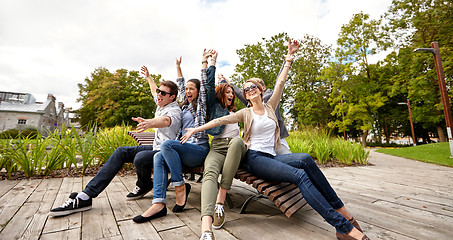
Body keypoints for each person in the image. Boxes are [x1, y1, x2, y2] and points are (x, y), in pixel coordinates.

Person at [181, 39, 369, 240]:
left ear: (261, 90)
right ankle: (343, 227)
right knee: (299, 176)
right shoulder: (245, 112)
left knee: (305, 158)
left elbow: (280, 82)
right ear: (244, 95)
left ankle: (344, 213)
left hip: (271, 157)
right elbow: (220, 119)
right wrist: (195, 129)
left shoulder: (270, 107)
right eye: (246, 89)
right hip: (254, 158)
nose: (249, 89)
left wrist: (289, 58)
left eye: (253, 86)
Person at [49, 67, 181, 217]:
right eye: (159, 91)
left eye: (163, 93)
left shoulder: (174, 111)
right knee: (121, 151)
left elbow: (166, 121)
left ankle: (144, 184)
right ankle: (86, 196)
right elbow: (153, 90)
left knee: (140, 158)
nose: (158, 94)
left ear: (172, 97)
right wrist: (149, 77)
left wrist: (150, 122)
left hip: (164, 152)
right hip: (154, 147)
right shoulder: (161, 102)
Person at [133, 50, 212, 223]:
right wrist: (178, 67)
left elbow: (205, 86)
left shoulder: (201, 106)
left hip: (198, 149)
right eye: (187, 89)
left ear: (199, 92)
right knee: (159, 156)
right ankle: (158, 203)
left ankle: (179, 185)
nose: (188, 91)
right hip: (182, 148)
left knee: (167, 145)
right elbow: (179, 84)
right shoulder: (184, 106)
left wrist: (205, 62)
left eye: (192, 88)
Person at [199, 51, 246, 239]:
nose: (231, 94)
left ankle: (221, 201)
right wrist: (212, 62)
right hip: (217, 146)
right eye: (227, 92)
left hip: (237, 148)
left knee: (236, 141)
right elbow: (209, 85)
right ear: (221, 94)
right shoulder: (215, 107)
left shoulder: (239, 113)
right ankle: (206, 229)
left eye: (232, 92)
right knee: (209, 172)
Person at [221, 59, 292, 155]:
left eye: (254, 86)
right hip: (260, 144)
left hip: (276, 140)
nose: (251, 90)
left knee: (290, 158)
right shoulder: (251, 103)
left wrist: (287, 61)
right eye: (248, 89)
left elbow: (279, 81)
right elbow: (239, 93)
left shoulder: (271, 97)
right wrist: (230, 84)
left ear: (262, 88)